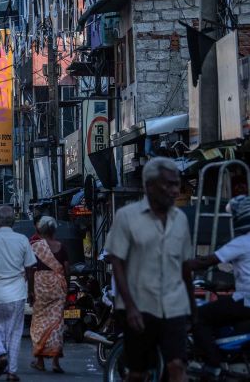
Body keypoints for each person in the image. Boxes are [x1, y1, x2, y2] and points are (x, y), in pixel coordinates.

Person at [105, 157, 193, 382]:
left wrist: (192, 307)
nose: (175, 191)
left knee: (177, 365)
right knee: (138, 373)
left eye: (177, 184)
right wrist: (130, 307)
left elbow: (185, 266)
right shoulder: (127, 217)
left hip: (174, 306)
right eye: (169, 184)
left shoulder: (180, 219)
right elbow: (117, 264)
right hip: (139, 306)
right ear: (149, 186)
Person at [189, 195, 250, 378]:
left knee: (199, 316)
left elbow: (206, 261)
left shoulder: (241, 242)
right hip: (243, 298)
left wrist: (179, 265)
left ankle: (212, 364)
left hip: (246, 301)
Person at [0, 205, 37, 380]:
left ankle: (0, 353)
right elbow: (30, 268)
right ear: (14, 221)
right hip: (18, 292)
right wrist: (31, 291)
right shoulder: (22, 240)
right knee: (14, 332)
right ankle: (11, 371)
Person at [28, 216, 70, 374]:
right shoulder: (61, 246)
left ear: (40, 230)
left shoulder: (35, 246)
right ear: (54, 230)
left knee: (38, 323)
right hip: (58, 288)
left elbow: (30, 270)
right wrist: (67, 288)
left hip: (40, 287)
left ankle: (39, 361)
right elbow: (67, 269)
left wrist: (30, 290)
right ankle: (55, 362)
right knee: (57, 323)